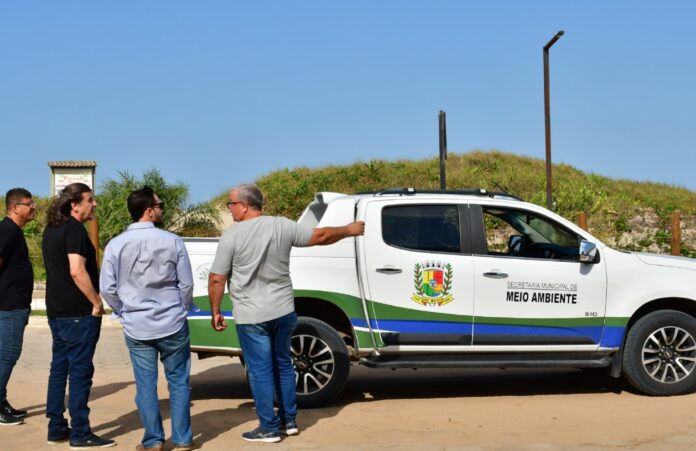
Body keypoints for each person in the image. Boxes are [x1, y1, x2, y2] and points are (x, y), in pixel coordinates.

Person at [208, 184, 364, 443]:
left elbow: (216, 278)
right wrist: (349, 230)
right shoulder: (282, 226)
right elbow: (321, 236)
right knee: (283, 363)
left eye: (231, 203)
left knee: (260, 370)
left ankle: (268, 428)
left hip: (251, 315)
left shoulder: (231, 237)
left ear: (245, 206)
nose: (229, 208)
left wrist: (216, 311)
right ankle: (288, 421)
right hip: (282, 310)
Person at [100, 187, 194, 451]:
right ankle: (183, 438)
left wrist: (122, 310)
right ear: (149, 210)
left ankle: (153, 440)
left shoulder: (116, 244)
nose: (162, 209)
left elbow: (108, 288)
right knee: (178, 381)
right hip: (172, 322)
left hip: (137, 325)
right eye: (159, 205)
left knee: (145, 385)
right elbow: (186, 284)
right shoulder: (172, 240)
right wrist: (183, 307)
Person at [42, 183, 115, 448]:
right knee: (80, 372)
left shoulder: (51, 230)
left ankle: (56, 428)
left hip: (57, 311)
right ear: (75, 205)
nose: (94, 204)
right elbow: (76, 271)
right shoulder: (73, 229)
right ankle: (80, 433)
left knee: (59, 370)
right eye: (90, 200)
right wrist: (96, 302)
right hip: (77, 313)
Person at [0, 188, 35, 425]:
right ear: (15, 207)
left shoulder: (12, 231)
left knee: (6, 354)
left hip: (14, 304)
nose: (33, 207)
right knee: (7, 354)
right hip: (9, 305)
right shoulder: (8, 231)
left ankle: (1, 402)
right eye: (29, 204)